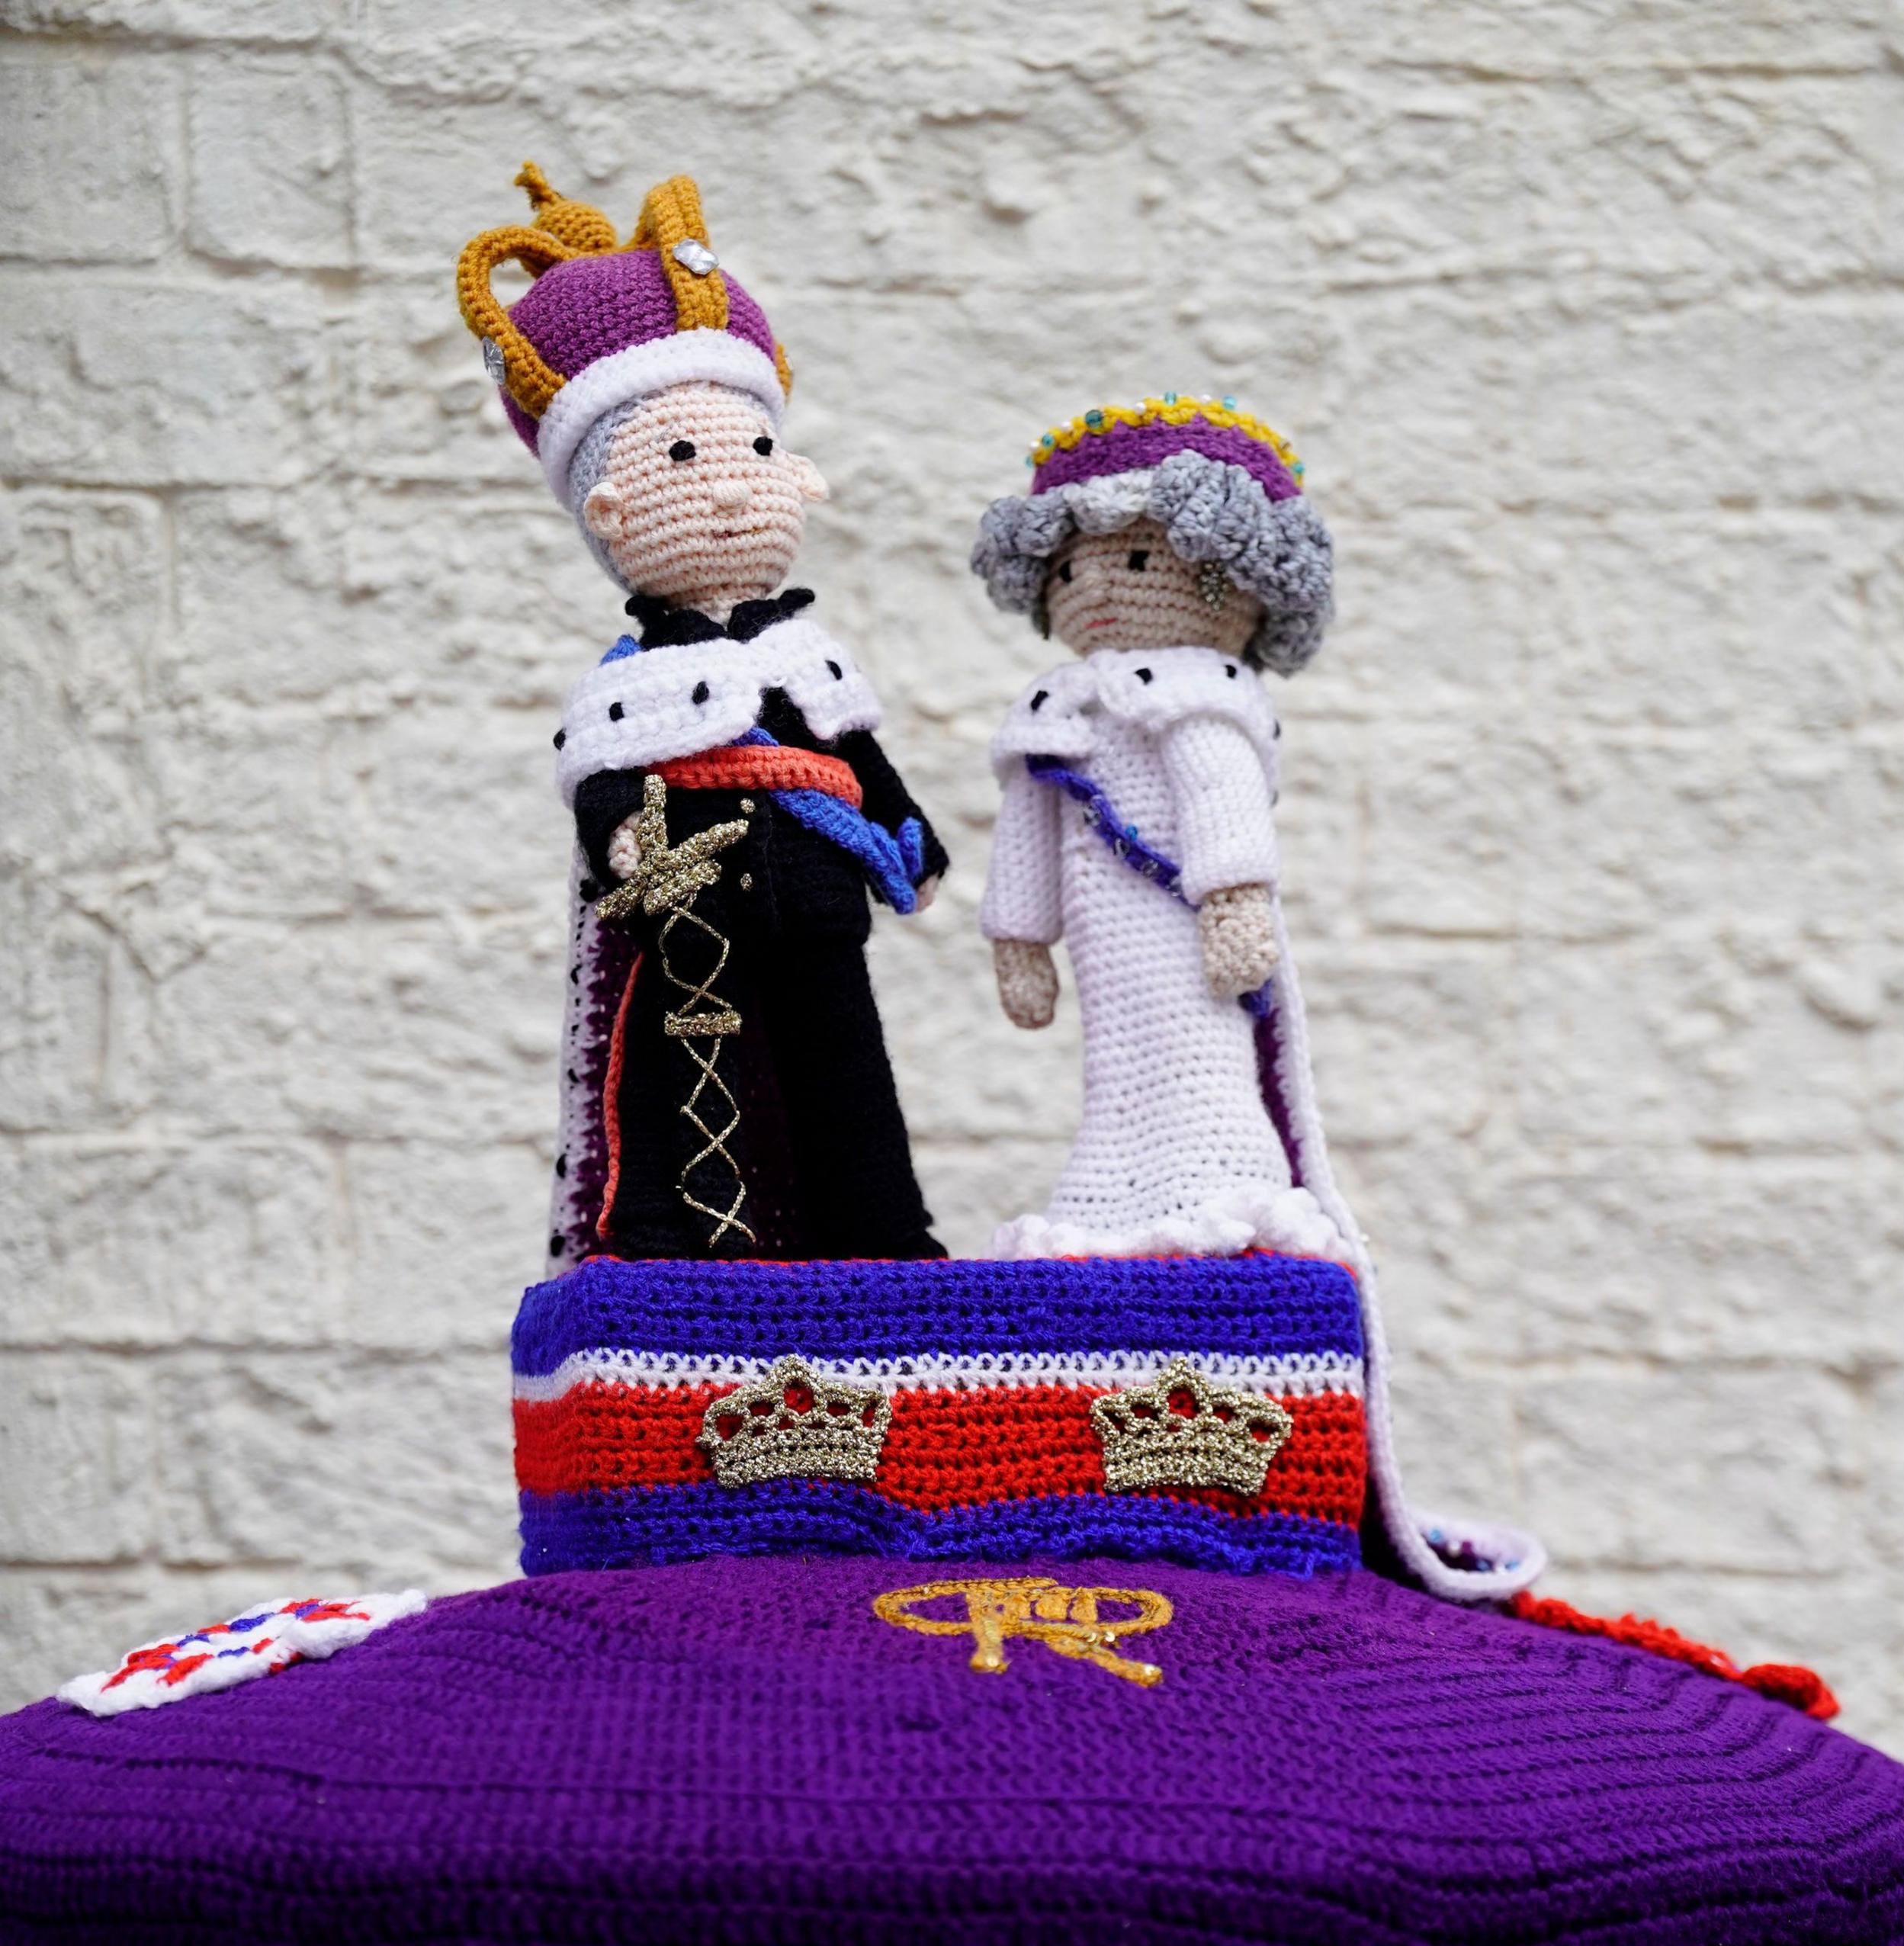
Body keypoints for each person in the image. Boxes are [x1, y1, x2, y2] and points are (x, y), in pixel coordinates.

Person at [459, 166, 945, 1263]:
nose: (730, 487)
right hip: (698, 916)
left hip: (820, 905)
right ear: (610, 507)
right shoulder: (626, 685)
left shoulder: (803, 656)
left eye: (755, 452)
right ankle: (674, 1235)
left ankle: (881, 1235)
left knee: (845, 1069)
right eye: (683, 460)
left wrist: (911, 835)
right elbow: (608, 780)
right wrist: (625, 835)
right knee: (692, 1078)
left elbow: (854, 753)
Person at [971, 396, 1339, 1260]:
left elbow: (1222, 797)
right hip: (1108, 948)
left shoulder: (1200, 693)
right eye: (1065, 571)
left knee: (1200, 1051)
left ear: (1230, 577)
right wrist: (1019, 938)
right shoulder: (1059, 703)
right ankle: (1114, 1191)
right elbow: (1029, 821)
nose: (1091, 588)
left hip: (1187, 929)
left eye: (1134, 558)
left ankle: (1221, 1181)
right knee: (1119, 1071)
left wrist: (1234, 897)